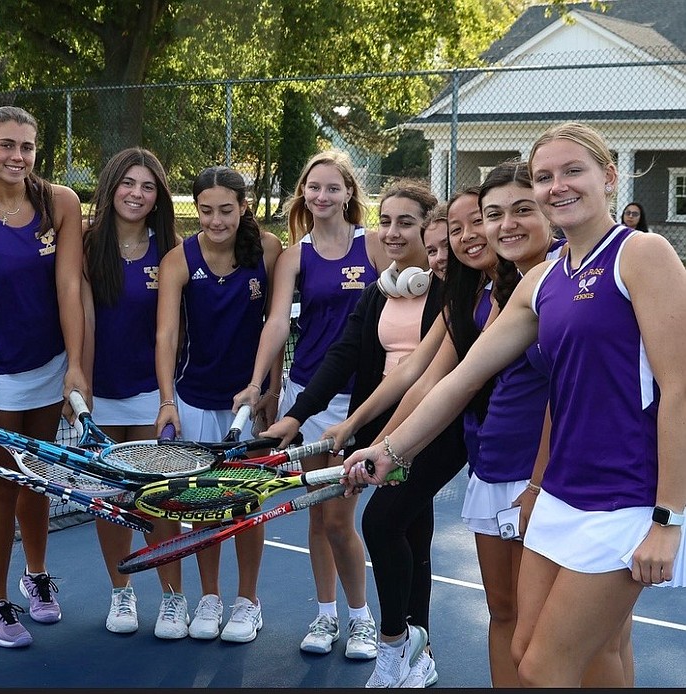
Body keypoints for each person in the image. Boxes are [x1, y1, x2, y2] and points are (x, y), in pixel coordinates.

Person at [344, 122, 686, 688]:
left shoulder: (642, 254)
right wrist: (390, 448)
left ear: (608, 176)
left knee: (549, 669)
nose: (559, 186)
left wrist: (668, 518)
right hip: (559, 494)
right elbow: (460, 379)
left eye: (573, 171)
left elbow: (679, 387)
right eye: (546, 176)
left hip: (626, 498)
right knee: (528, 650)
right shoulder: (543, 280)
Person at [263, 178, 468, 687]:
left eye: (407, 223)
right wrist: (303, 414)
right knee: (410, 532)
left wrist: (381, 443)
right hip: (381, 422)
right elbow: (346, 354)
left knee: (387, 524)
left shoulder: (452, 289)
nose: (393, 232)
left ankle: (397, 643)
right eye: (387, 221)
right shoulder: (383, 291)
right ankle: (417, 649)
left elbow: (426, 379)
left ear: (429, 230)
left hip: (431, 426)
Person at [0, 105, 88, 648]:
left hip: (51, 367)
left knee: (40, 476)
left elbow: (69, 288)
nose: (17, 157)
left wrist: (75, 366)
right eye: (6, 145)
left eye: (26, 147)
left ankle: (36, 575)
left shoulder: (62, 203)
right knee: (2, 483)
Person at [231, 150, 383, 658]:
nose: (322, 196)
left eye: (332, 188)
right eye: (313, 188)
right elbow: (276, 323)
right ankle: (325, 616)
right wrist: (258, 384)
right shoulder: (296, 255)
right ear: (304, 195)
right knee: (319, 516)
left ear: (349, 194)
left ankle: (363, 619)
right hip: (308, 397)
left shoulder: (377, 246)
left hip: (360, 400)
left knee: (341, 519)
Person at [155, 165, 283, 643]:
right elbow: (167, 334)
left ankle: (247, 600)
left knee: (245, 504)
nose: (215, 220)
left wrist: (270, 392)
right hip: (194, 399)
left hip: (247, 407)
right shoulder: (179, 260)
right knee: (201, 504)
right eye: (205, 210)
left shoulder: (269, 251)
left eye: (226, 210)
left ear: (243, 207)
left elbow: (275, 326)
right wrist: (168, 399)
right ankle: (209, 597)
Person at [78, 147, 189, 638]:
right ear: (111, 188)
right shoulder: (83, 245)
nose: (137, 194)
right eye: (128, 183)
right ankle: (121, 591)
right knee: (111, 499)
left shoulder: (172, 249)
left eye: (147, 186)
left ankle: (172, 597)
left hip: (152, 394)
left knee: (157, 499)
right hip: (95, 396)